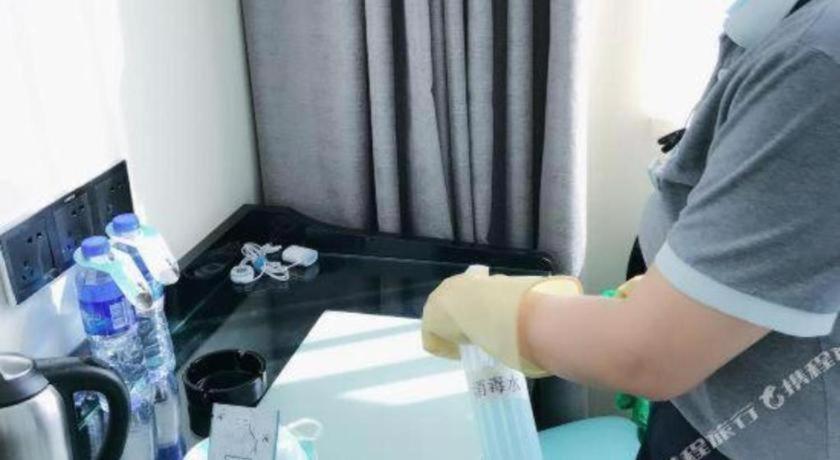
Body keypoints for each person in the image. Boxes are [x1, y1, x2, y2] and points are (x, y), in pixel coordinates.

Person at [420, 0, 840, 458]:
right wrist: (689, 293)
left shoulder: (818, 57)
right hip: (716, 398)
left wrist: (489, 309)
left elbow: (651, 354)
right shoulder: (781, 29)